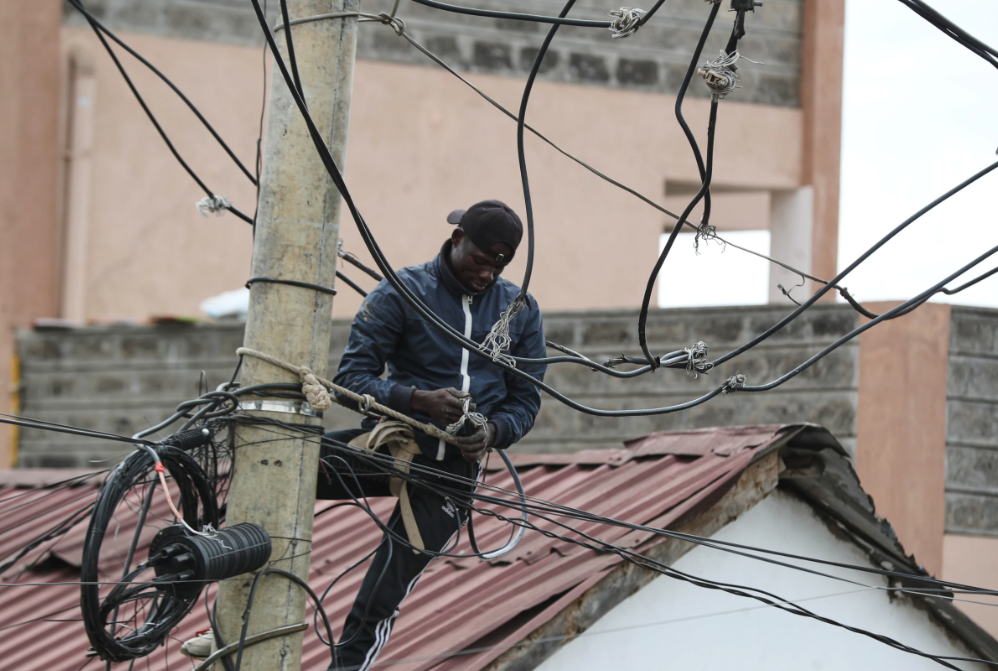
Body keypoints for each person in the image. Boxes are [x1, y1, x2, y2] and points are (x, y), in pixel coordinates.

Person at [317, 200, 547, 671]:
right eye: (480, 262)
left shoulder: (519, 310)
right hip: (393, 444)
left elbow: (527, 399)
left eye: (498, 267)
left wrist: (494, 430)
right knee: (284, 463)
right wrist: (416, 399)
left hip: (450, 476)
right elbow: (350, 380)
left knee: (381, 595)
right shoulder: (402, 291)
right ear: (457, 238)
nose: (487, 275)